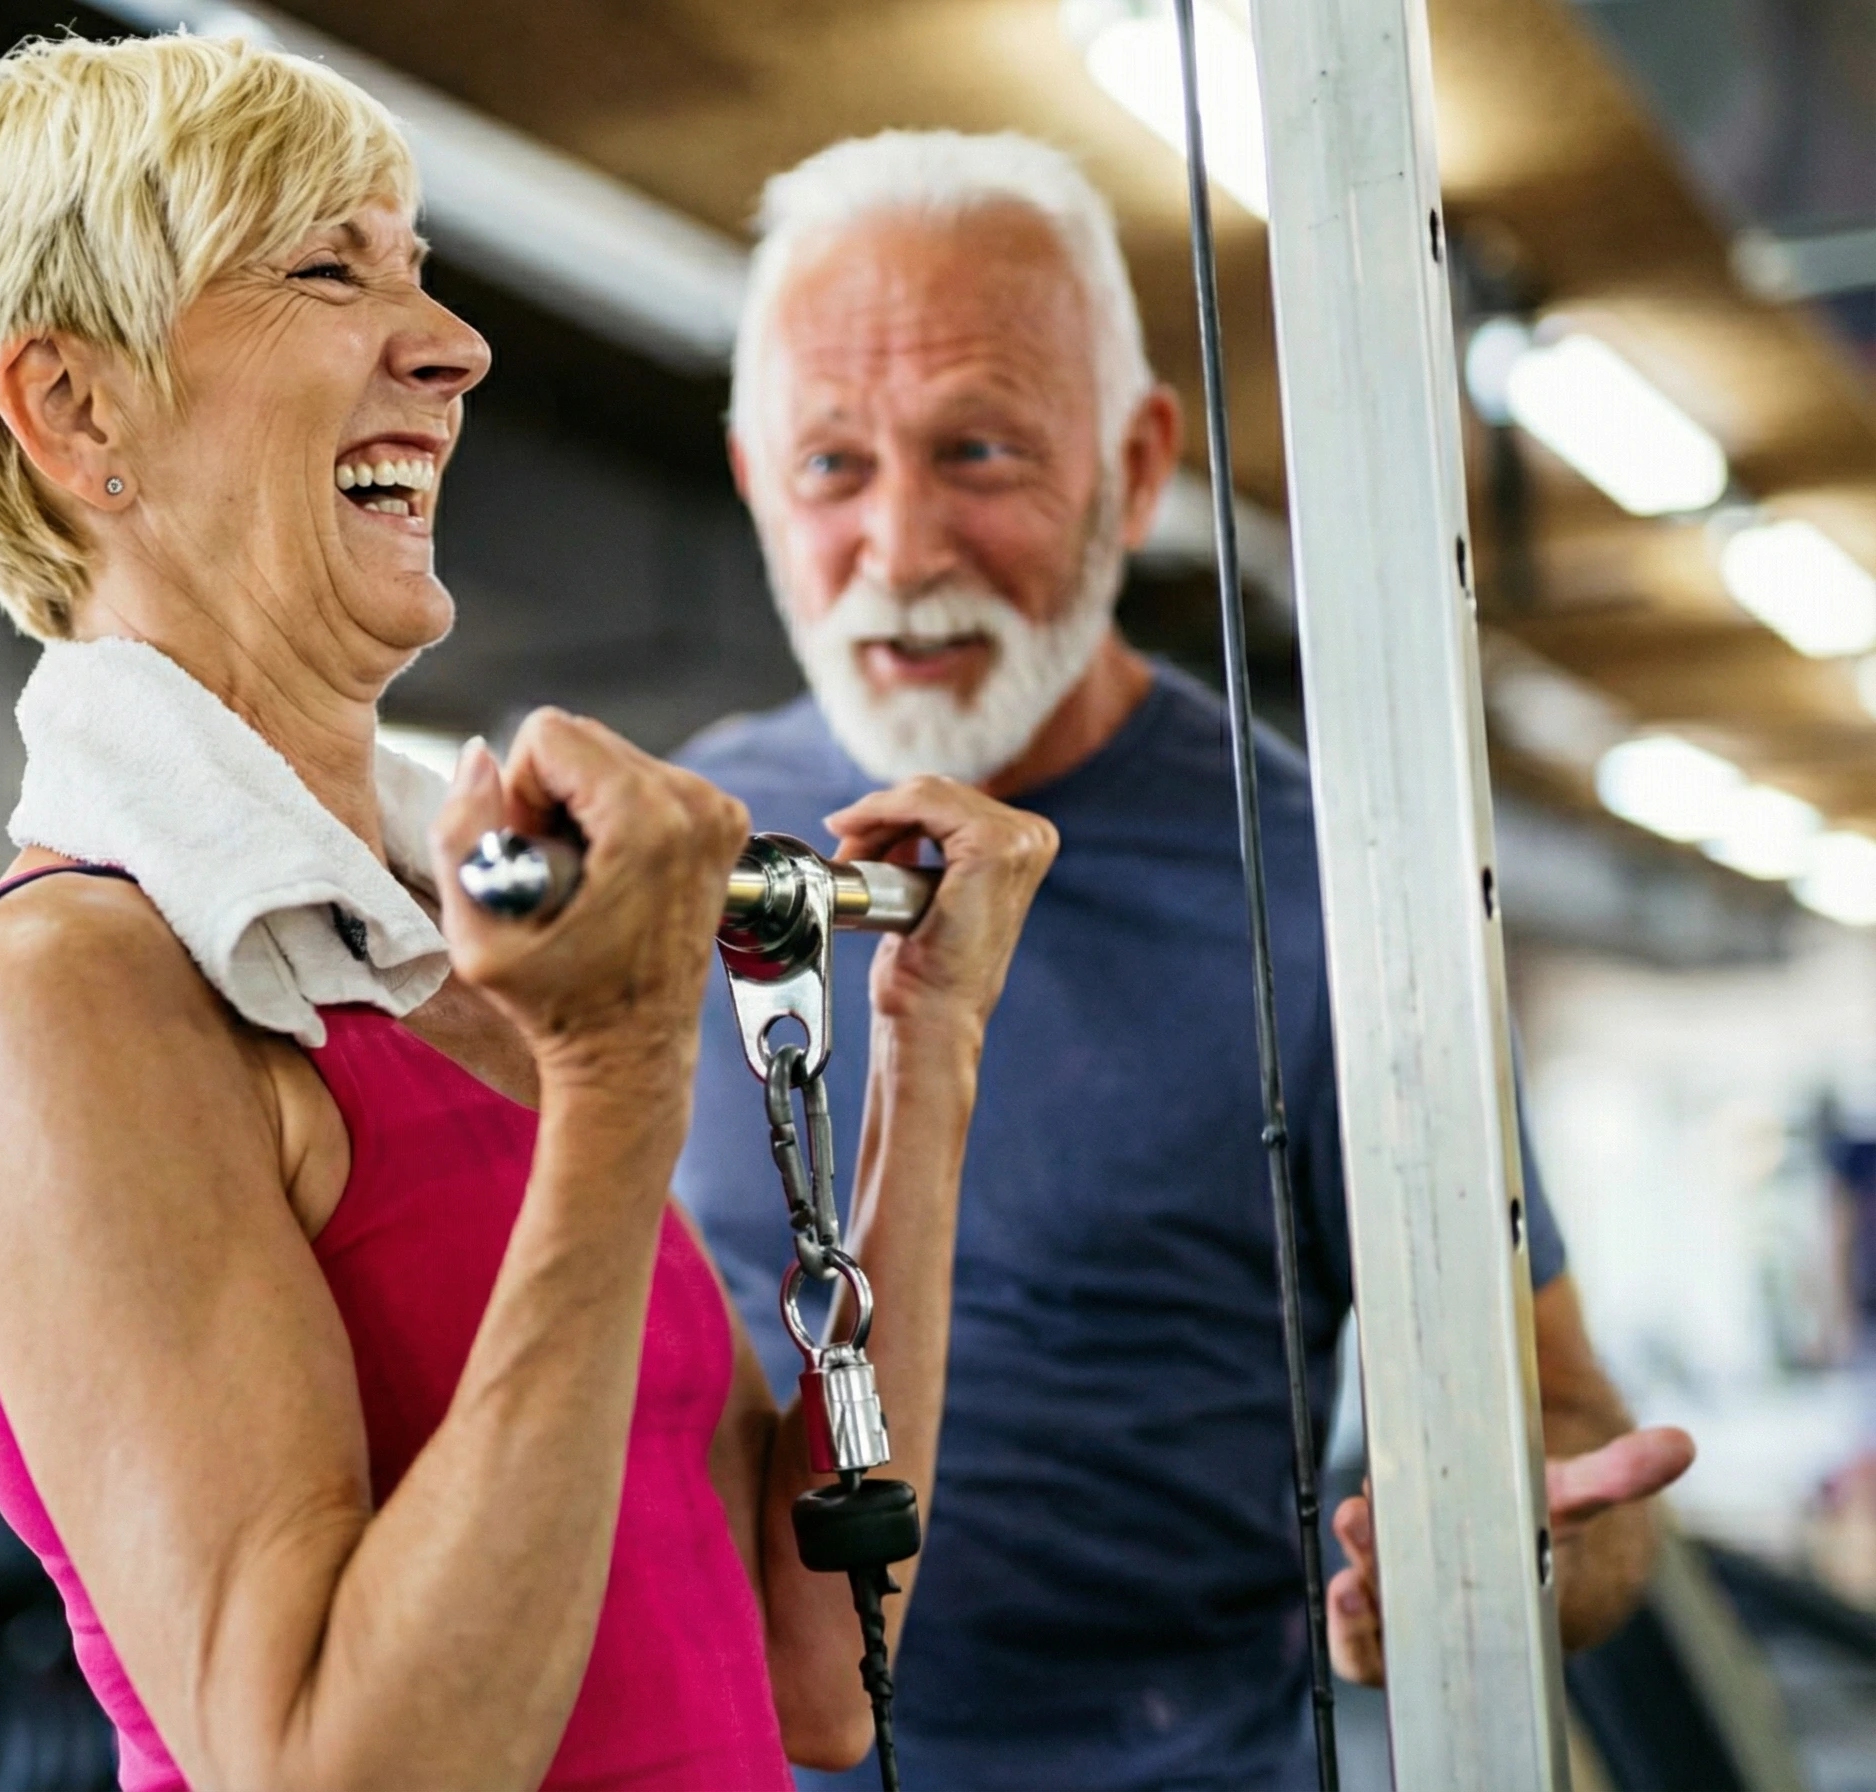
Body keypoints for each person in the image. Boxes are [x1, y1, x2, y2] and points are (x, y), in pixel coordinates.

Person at [0, 42, 1059, 1792]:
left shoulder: (455, 960)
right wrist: (625, 1066)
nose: (458, 348)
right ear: (77, 408)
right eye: (330, 268)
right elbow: (336, 1766)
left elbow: (815, 1676)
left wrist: (928, 1050)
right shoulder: (64, 997)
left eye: (418, 270)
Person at [673, 129, 1699, 1792]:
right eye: (832, 468)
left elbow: (1561, 1419)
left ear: (1139, 465)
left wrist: (1512, 1563)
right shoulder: (696, 837)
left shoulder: (1335, 893)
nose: (904, 548)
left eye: (981, 450)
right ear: (749, 474)